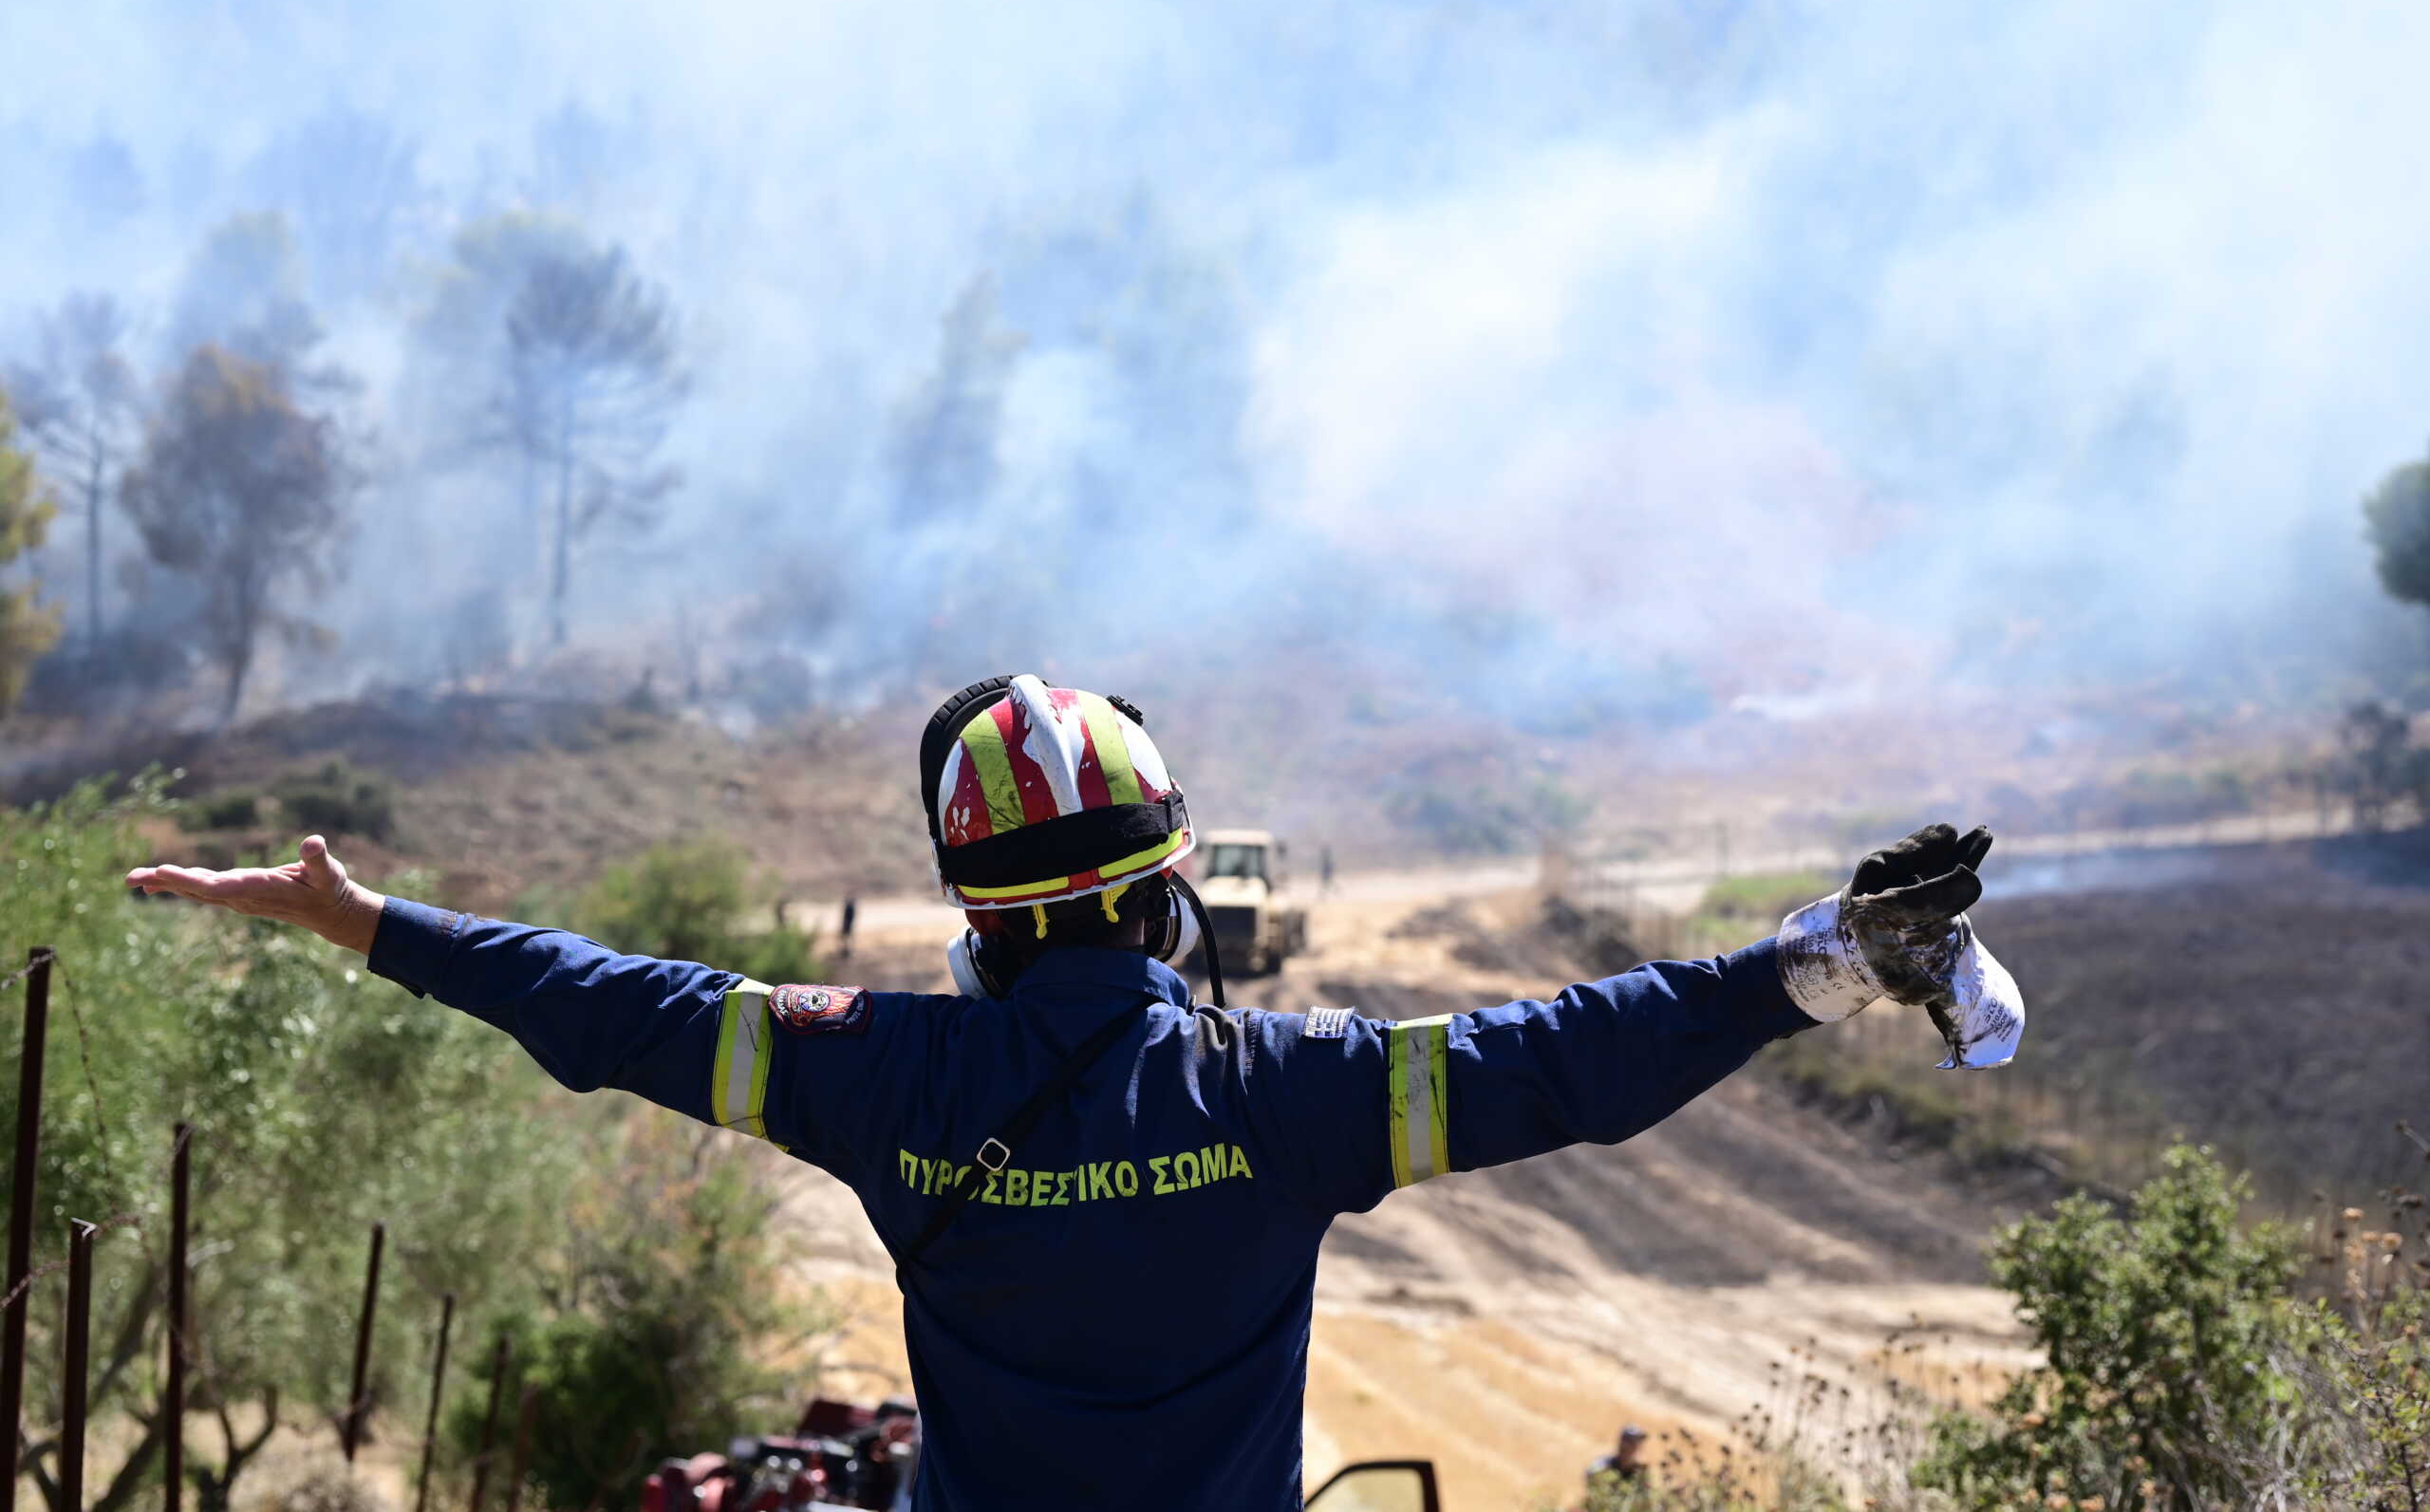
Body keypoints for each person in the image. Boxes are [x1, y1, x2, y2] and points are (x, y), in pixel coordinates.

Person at [125, 674, 2014, 1512]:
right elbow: (1567, 1060)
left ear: (980, 913)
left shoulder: (879, 1075)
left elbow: (613, 1005)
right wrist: (1814, 965)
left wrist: (368, 923)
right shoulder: (1284, 1089)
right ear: (1164, 890)